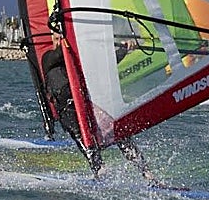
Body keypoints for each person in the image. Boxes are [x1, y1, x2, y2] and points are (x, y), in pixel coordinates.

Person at [42, 36, 154, 182]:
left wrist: (124, 49)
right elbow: (60, 53)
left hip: (87, 103)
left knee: (118, 131)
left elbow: (104, 63)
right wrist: (72, 39)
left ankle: (146, 172)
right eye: (56, 38)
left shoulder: (80, 58)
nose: (58, 41)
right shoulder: (48, 58)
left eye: (61, 38)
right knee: (82, 137)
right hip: (68, 110)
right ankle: (99, 170)